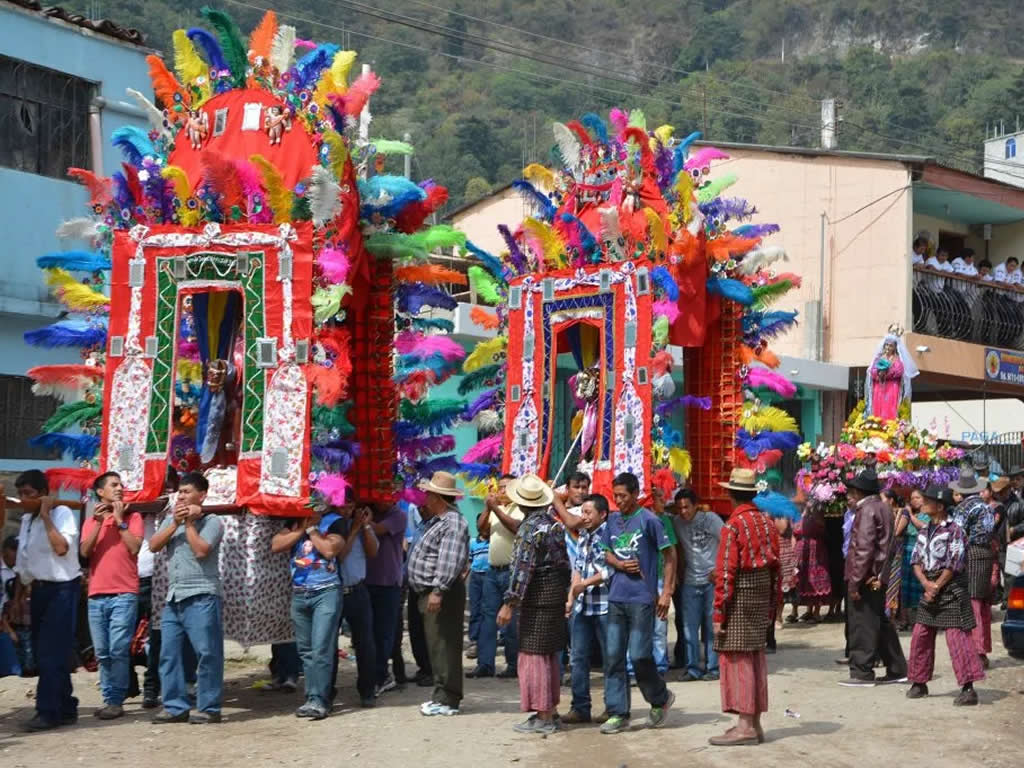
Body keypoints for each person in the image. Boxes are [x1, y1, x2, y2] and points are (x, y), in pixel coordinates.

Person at [599, 472, 676, 736]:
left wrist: (666, 592)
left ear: (635, 494)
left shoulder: (650, 521)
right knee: (612, 657)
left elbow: (670, 555)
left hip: (642, 599)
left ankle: (660, 698)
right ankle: (618, 712)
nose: (618, 500)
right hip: (616, 598)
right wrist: (618, 564)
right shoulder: (611, 521)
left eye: (623, 496)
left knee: (640, 655)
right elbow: (604, 551)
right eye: (615, 495)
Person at [708, 468, 780, 747]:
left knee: (738, 660)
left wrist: (718, 612)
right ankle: (754, 723)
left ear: (730, 495)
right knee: (754, 656)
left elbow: (726, 570)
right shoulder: (766, 522)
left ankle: (746, 725)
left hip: (738, 599)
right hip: (761, 596)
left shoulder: (733, 526)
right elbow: (776, 566)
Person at [148, 472, 225, 724]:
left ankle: (209, 707)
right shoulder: (171, 520)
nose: (181, 496)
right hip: (174, 595)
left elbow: (202, 550)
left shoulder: (213, 521)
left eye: (186, 492)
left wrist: (190, 524)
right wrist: (175, 523)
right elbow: (154, 545)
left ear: (201, 496)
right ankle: (174, 706)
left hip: (202, 594)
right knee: (169, 654)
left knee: (207, 653)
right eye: (179, 492)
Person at [498, 475, 571, 735]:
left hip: (536, 599)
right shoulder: (554, 526)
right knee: (548, 654)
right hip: (554, 595)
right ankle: (549, 710)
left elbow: (522, 569)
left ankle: (543, 715)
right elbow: (564, 565)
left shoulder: (529, 529)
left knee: (534, 656)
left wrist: (510, 602)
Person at [11, 470, 81, 731]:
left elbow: (61, 548)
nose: (23, 498)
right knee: (49, 654)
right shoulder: (26, 520)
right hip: (39, 591)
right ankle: (65, 706)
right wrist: (18, 598)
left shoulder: (61, 513)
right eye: (20, 494)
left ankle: (47, 711)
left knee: (51, 653)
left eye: (28, 493)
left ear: (42, 494)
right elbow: (23, 564)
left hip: (62, 589)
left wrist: (46, 516)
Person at [906, 486, 984, 706]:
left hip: (950, 589)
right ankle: (919, 682)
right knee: (920, 635)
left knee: (957, 639)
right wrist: (925, 584)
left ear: (940, 506)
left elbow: (955, 562)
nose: (923, 503)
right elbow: (915, 560)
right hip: (930, 588)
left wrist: (936, 585)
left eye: (928, 500)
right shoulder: (924, 531)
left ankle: (968, 688)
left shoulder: (955, 530)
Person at [271, 502, 345, 720]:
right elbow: (276, 544)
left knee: (321, 648)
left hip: (326, 591)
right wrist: (302, 527)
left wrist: (313, 529)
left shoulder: (336, 522)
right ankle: (312, 697)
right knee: (305, 650)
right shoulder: (295, 522)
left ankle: (320, 700)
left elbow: (330, 550)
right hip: (299, 593)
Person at [79, 471, 143, 720]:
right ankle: (110, 699)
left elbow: (135, 547)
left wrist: (119, 520)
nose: (119, 488)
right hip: (96, 595)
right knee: (103, 652)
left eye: (121, 485)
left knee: (118, 649)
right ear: (100, 492)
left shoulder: (132, 516)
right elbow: (85, 551)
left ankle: (115, 701)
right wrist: (97, 523)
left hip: (124, 593)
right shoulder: (91, 521)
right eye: (113, 485)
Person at [408, 471, 470, 717]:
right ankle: (442, 694)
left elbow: (449, 560)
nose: (425, 498)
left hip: (440, 592)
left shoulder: (452, 523)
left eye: (429, 494)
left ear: (438, 497)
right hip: (430, 590)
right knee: (437, 644)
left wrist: (438, 591)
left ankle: (447, 698)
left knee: (443, 644)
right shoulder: (437, 520)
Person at [840, 469, 907, 687]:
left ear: (859, 491)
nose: (849, 495)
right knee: (880, 622)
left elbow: (864, 548)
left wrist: (855, 581)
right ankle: (897, 668)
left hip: (867, 577)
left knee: (862, 625)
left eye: (851, 491)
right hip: (879, 575)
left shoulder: (867, 510)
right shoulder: (882, 507)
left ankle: (862, 672)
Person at [563, 493, 610, 725]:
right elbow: (577, 568)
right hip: (583, 607)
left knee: (611, 659)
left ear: (602, 514)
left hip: (605, 606)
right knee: (578, 658)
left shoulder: (610, 535)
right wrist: (572, 597)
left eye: (588, 512)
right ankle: (580, 707)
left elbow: (608, 572)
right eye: (582, 512)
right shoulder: (582, 536)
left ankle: (614, 707)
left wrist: (584, 584)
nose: (584, 517)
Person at [470, 474, 522, 679]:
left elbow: (515, 527)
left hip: (511, 570)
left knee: (510, 620)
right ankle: (485, 664)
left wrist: (497, 509)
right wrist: (487, 507)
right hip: (492, 570)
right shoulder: (494, 509)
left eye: (506, 488)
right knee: (487, 617)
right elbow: (481, 530)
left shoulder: (519, 507)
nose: (501, 491)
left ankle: (512, 664)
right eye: (499, 487)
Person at [947, 468, 997, 670]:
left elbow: (957, 534)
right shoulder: (986, 507)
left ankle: (977, 651)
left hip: (972, 554)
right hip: (986, 554)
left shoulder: (964, 508)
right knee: (983, 604)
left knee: (973, 604)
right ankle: (983, 648)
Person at [673, 488, 723, 682]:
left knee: (712, 627)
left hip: (711, 581)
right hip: (690, 582)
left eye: (687, 507)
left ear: (695, 506)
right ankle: (693, 667)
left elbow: (727, 541)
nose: (683, 511)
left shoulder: (710, 519)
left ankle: (713, 667)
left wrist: (719, 569)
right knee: (689, 627)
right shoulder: (676, 523)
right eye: (680, 508)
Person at [336, 500, 379, 707]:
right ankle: (327, 692)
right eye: (343, 507)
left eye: (351, 507)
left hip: (358, 590)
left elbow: (373, 553)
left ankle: (367, 691)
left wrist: (366, 526)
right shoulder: (332, 526)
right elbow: (340, 557)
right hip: (334, 592)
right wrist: (352, 531)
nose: (347, 511)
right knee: (327, 646)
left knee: (365, 645)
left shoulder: (361, 527)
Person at [366, 500, 410, 695]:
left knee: (384, 634)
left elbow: (379, 530)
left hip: (388, 583)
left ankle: (382, 675)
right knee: (368, 634)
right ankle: (372, 674)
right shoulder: (369, 511)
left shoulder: (398, 515)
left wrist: (364, 521)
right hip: (366, 581)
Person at [864, 331, 918, 422]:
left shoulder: (897, 359)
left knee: (889, 407)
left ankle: (890, 425)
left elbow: (899, 371)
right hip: (879, 387)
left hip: (892, 388)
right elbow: (872, 371)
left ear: (895, 347)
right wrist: (879, 373)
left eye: (891, 346)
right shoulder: (879, 358)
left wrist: (887, 372)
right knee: (878, 407)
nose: (888, 348)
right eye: (886, 345)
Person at [794, 502, 832, 622]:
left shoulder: (818, 514)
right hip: (802, 551)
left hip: (816, 551)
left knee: (816, 578)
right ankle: (808, 611)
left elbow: (822, 528)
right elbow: (796, 530)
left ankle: (816, 612)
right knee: (805, 579)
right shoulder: (800, 514)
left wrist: (813, 512)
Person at [898, 489, 930, 629]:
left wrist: (910, 514)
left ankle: (919, 620)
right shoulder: (911, 514)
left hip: (920, 553)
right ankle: (905, 620)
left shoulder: (927, 515)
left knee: (919, 585)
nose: (914, 500)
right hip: (906, 551)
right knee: (905, 586)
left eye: (917, 497)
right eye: (912, 498)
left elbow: (923, 527)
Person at [466, 533, 490, 661]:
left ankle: (485, 643)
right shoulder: (473, 542)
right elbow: (470, 562)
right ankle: (474, 641)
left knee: (486, 610)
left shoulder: (493, 542)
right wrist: (465, 575)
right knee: (475, 609)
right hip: (475, 577)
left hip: (489, 575)